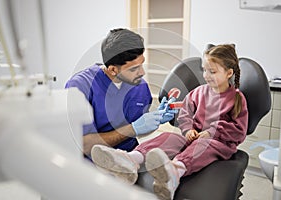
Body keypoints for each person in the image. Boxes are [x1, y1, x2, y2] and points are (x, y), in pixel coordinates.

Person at [91, 44, 249, 200]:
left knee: (204, 144)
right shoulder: (198, 93)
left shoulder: (236, 98)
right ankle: (131, 160)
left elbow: (239, 130)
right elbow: (186, 114)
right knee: (169, 137)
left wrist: (211, 132)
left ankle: (175, 171)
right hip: (192, 139)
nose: (206, 75)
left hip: (218, 143)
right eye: (204, 70)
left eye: (212, 71)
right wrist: (188, 130)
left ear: (229, 73)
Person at [65, 28, 176, 165]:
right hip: (94, 163)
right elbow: (83, 145)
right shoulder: (79, 87)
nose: (142, 73)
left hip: (131, 158)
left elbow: (137, 132)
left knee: (173, 140)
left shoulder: (140, 87)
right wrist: (133, 128)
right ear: (112, 69)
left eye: (142, 64)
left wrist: (156, 119)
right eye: (134, 69)